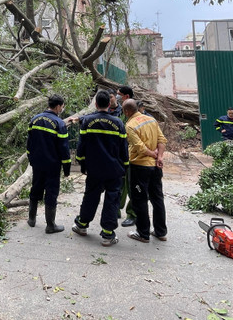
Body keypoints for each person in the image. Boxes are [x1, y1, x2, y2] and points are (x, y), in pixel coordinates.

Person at [72, 90, 129, 247]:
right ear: (109, 104)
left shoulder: (87, 122)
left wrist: (82, 164)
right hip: (113, 170)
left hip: (94, 169)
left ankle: (82, 225)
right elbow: (124, 148)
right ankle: (108, 235)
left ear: (96, 104)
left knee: (90, 196)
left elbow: (81, 146)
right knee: (112, 200)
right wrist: (124, 166)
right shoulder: (118, 123)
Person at [121, 99, 168, 243]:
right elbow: (162, 139)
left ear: (127, 111)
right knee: (157, 198)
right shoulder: (151, 120)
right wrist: (159, 157)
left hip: (139, 167)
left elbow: (139, 147)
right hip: (155, 167)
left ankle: (143, 233)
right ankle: (161, 232)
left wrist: (153, 154)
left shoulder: (130, 125)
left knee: (139, 200)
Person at [27, 94, 71, 233]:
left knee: (36, 188)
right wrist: (67, 168)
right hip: (52, 165)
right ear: (58, 106)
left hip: (37, 163)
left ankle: (31, 219)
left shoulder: (34, 119)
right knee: (51, 193)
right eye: (62, 106)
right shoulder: (59, 123)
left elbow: (29, 143)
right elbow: (64, 149)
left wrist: (31, 158)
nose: (62, 109)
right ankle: (50, 225)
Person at [115, 86, 138, 227]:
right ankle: (116, 209)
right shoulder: (120, 112)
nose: (117, 97)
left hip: (133, 157)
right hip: (120, 155)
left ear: (126, 96)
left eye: (119, 95)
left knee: (132, 186)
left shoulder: (138, 113)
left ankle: (132, 214)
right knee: (120, 184)